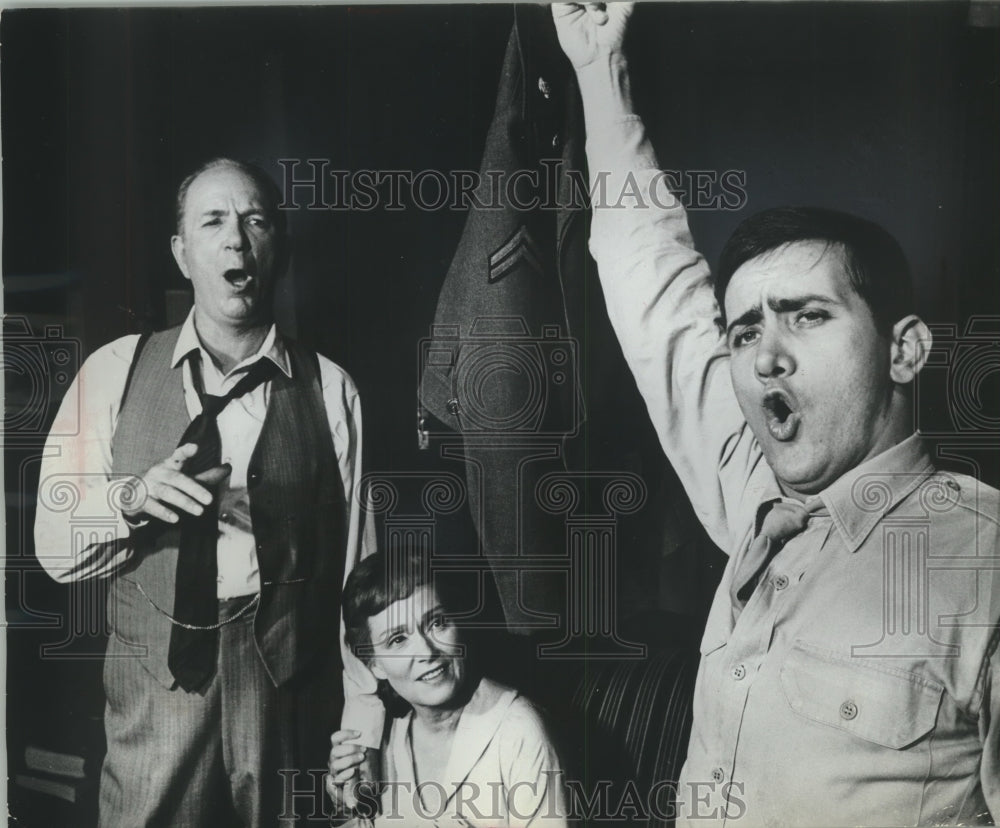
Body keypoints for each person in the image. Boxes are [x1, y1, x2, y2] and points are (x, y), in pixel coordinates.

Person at [553, 4, 1000, 826]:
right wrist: (597, 70)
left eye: (807, 316)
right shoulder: (757, 497)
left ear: (904, 351)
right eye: (746, 329)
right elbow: (653, 286)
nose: (764, 356)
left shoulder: (986, 562)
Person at [34, 158, 382, 826]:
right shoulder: (114, 371)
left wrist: (364, 726)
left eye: (255, 221)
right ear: (182, 252)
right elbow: (52, 550)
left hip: (285, 707)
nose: (236, 240)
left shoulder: (332, 389)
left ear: (277, 244)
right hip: (152, 707)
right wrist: (132, 499)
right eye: (213, 221)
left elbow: (357, 580)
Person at [327, 550, 568, 828]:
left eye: (437, 622)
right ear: (374, 666)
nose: (427, 652)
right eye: (398, 640)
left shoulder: (518, 733)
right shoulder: (386, 739)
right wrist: (348, 804)